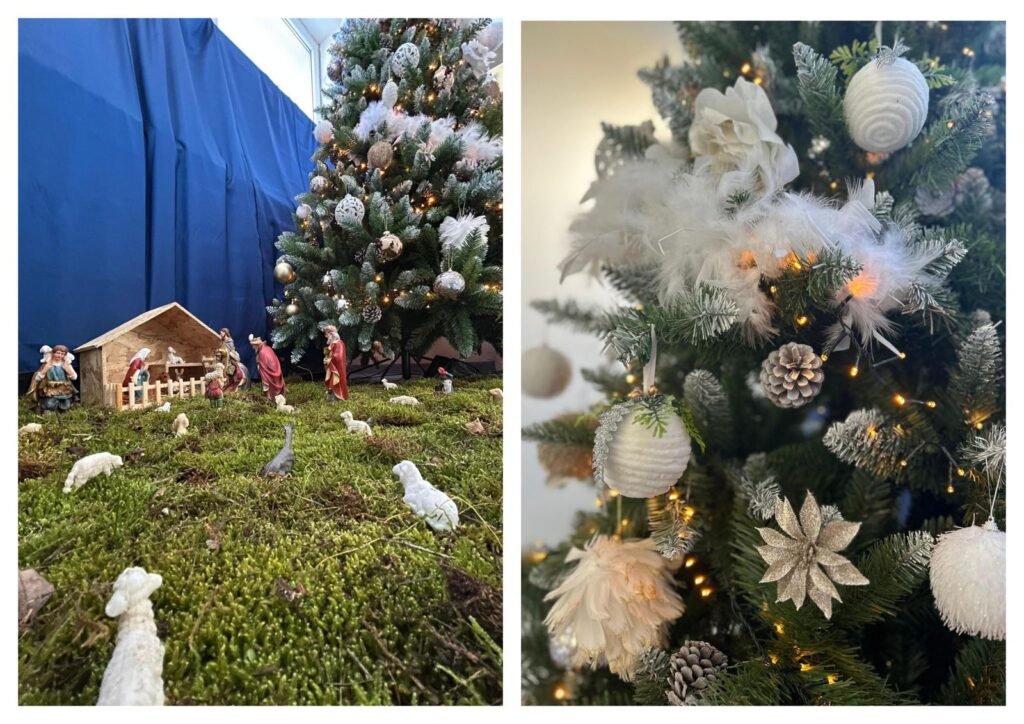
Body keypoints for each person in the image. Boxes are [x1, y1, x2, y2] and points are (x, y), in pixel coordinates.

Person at [27, 344, 77, 413]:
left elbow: (74, 377)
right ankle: (48, 410)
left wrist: (67, 369)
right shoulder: (47, 364)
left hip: (64, 389)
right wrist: (45, 370)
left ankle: (62, 410)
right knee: (49, 404)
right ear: (53, 353)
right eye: (58, 353)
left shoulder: (66, 365)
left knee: (66, 404)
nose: (59, 356)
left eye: (62, 354)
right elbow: (37, 378)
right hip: (50, 389)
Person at [248, 334, 286, 401]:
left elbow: (265, 367)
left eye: (253, 346)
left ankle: (271, 397)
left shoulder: (263, 352)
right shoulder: (267, 349)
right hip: (273, 372)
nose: (253, 348)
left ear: (256, 345)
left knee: (269, 386)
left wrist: (260, 367)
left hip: (270, 375)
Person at [218, 328, 249, 392]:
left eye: (221, 333)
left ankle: (233, 383)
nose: (220, 334)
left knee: (230, 369)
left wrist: (221, 351)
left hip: (229, 359)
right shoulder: (223, 341)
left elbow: (229, 351)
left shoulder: (230, 341)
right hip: (224, 359)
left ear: (225, 333)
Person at [323, 325, 348, 402]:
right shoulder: (333, 344)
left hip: (336, 368)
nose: (326, 336)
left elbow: (338, 356)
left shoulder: (339, 343)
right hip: (331, 368)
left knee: (334, 382)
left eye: (327, 334)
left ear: (332, 334)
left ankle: (336, 397)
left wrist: (329, 360)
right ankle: (331, 397)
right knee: (331, 382)